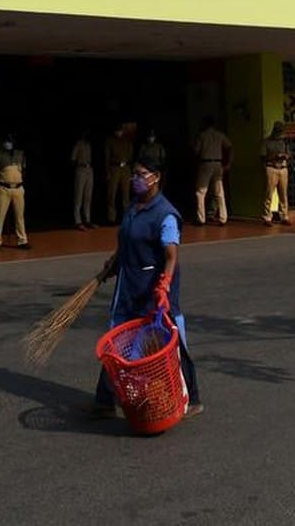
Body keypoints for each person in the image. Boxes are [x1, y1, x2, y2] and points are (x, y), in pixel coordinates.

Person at [91, 159, 202, 421]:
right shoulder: (133, 209)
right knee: (116, 345)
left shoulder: (165, 214)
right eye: (134, 174)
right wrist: (113, 264)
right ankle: (105, 400)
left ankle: (193, 397)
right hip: (128, 289)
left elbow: (171, 255)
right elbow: (126, 243)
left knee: (174, 343)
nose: (135, 179)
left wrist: (164, 285)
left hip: (155, 293)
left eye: (141, 175)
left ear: (156, 177)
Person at [0, 135, 30, 251]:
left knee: (19, 216)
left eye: (10, 141)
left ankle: (22, 240)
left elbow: (24, 169)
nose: (8, 143)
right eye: (6, 141)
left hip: (18, 187)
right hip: (4, 188)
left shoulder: (20, 154)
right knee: (0, 215)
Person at [192, 116, 233, 226]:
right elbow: (229, 147)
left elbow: (196, 151)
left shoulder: (202, 135)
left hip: (206, 163)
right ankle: (223, 217)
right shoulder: (220, 135)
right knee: (219, 192)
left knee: (200, 192)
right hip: (218, 163)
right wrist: (228, 163)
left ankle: (201, 218)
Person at [261, 121, 292, 225]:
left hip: (283, 168)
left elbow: (289, 154)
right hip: (271, 168)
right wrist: (274, 156)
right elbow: (262, 157)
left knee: (283, 194)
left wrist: (285, 156)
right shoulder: (267, 142)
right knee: (269, 193)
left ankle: (284, 216)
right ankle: (267, 217)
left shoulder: (284, 142)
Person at [104, 124, 135, 224]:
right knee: (112, 194)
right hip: (114, 168)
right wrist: (108, 172)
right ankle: (111, 218)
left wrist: (130, 171)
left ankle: (126, 217)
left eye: (120, 130)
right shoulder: (110, 141)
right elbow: (107, 157)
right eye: (117, 131)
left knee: (126, 195)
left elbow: (131, 155)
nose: (119, 132)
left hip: (125, 168)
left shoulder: (127, 141)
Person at [71, 131, 95, 230]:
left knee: (88, 196)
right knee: (79, 196)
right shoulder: (78, 144)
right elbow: (73, 159)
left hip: (89, 170)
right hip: (81, 169)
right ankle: (78, 221)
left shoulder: (89, 145)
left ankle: (87, 219)